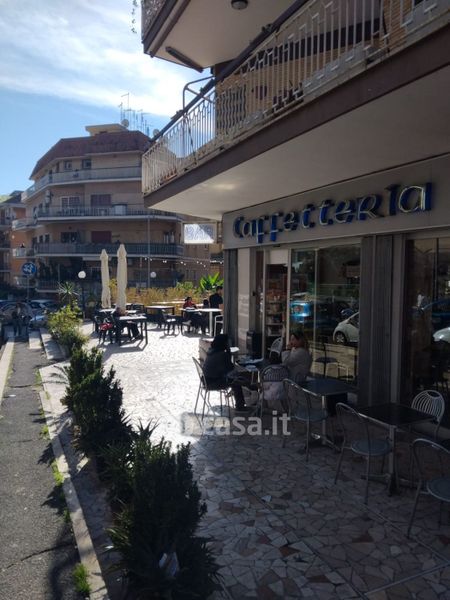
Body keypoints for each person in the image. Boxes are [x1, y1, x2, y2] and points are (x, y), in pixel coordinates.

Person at [202, 334, 251, 412]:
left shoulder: (212, 351)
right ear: (224, 343)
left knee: (236, 378)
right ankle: (240, 406)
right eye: (228, 342)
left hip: (206, 381)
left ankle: (244, 398)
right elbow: (230, 369)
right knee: (236, 382)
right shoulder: (222, 355)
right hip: (213, 382)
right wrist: (228, 352)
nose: (229, 344)